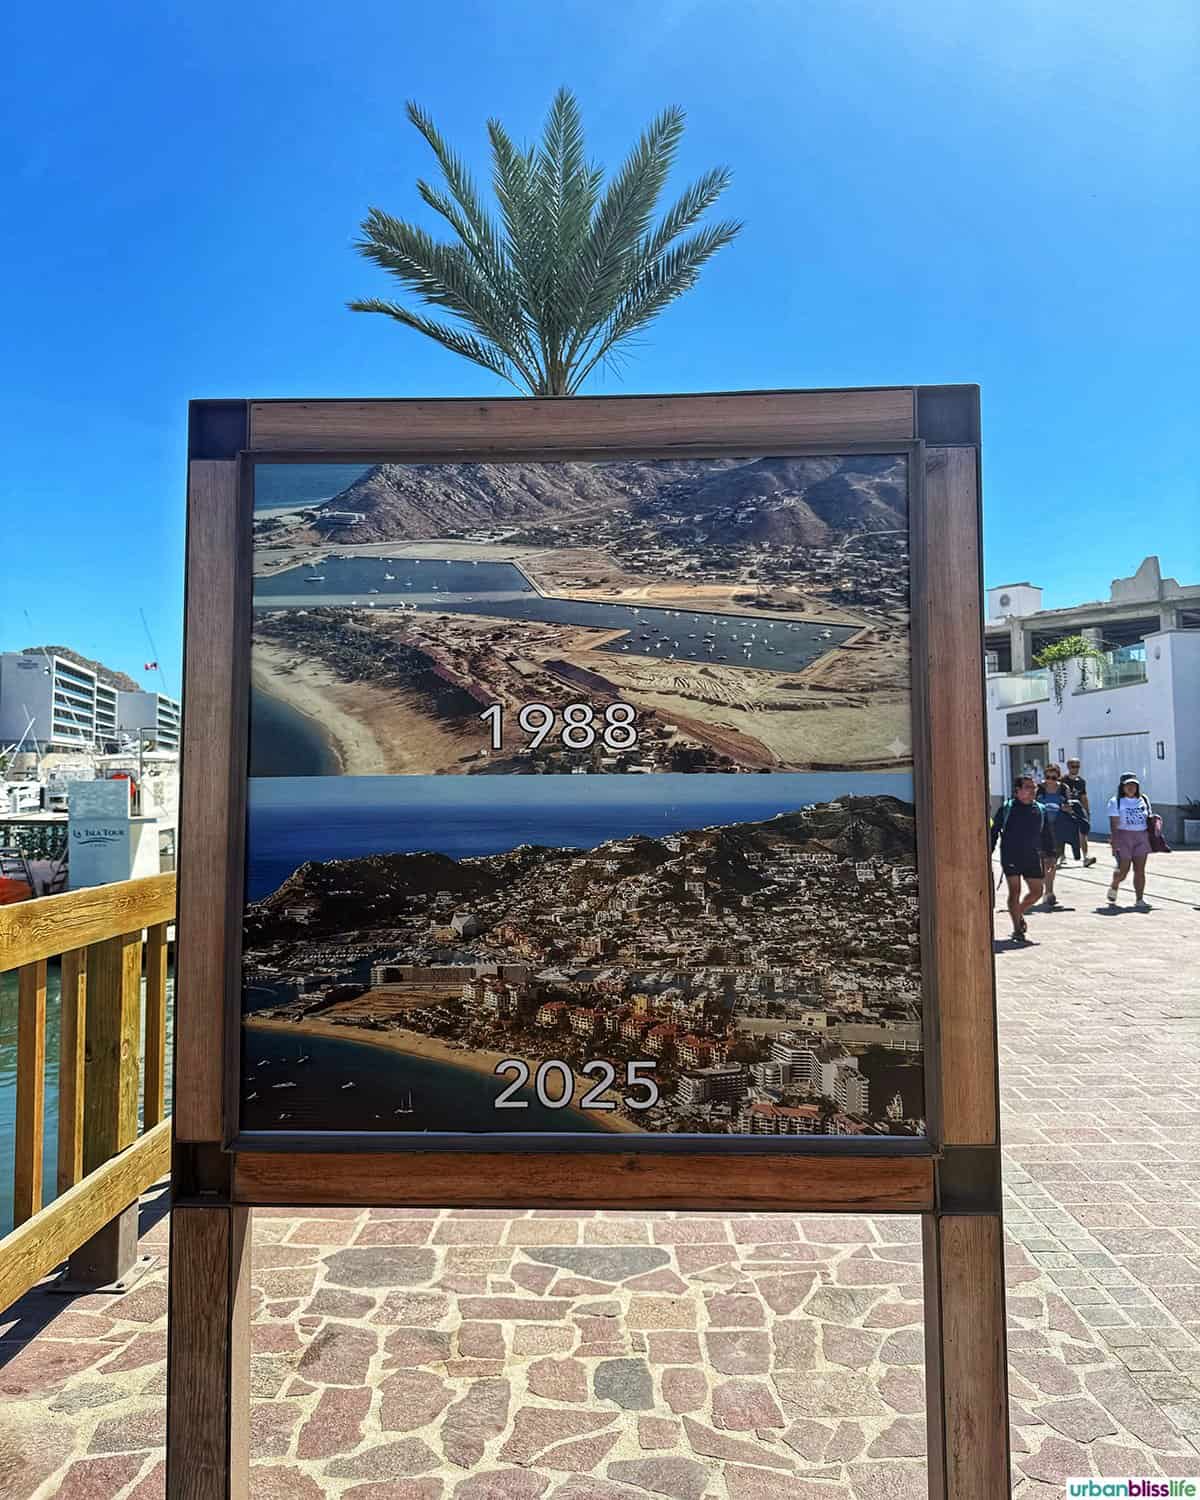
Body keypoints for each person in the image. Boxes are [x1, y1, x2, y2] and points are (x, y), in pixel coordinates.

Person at [990, 776, 1056, 942]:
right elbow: (994, 831)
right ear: (1017, 790)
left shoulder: (1040, 809)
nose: (1032, 790)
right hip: (1011, 855)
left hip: (1032, 855)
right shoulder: (1007, 808)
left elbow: (1047, 834)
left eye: (1033, 787)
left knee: (1037, 892)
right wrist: (987, 852)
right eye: (1027, 787)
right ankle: (1017, 928)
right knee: (1015, 891)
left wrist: (1050, 855)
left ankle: (1018, 911)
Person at [1106, 772, 1154, 910]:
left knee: (1140, 869)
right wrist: (1114, 842)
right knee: (1123, 869)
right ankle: (1115, 884)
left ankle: (1139, 899)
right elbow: (1113, 824)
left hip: (1141, 836)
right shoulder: (1116, 801)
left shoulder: (1143, 799)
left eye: (1134, 785)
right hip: (1123, 837)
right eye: (1128, 785)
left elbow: (1149, 817)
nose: (1131, 788)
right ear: (1122, 787)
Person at [1034, 765, 1069, 908]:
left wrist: (1067, 808)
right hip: (1041, 827)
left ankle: (1049, 891)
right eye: (1047, 777)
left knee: (1052, 861)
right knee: (1042, 861)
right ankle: (1044, 890)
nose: (1050, 781)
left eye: (1053, 777)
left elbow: (1068, 805)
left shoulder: (1063, 789)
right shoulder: (1039, 789)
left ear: (1058, 777)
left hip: (1057, 828)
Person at [1061, 758, 1097, 866]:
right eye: (1073, 766)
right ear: (1068, 767)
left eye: (1077, 766)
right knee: (1062, 832)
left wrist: (1087, 812)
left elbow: (1083, 797)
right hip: (1065, 808)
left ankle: (1086, 857)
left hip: (1077, 808)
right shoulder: (1062, 780)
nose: (1075, 769)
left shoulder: (1081, 781)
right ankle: (1062, 856)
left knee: (1082, 832)